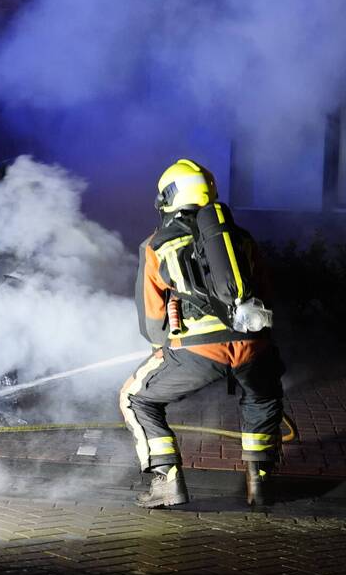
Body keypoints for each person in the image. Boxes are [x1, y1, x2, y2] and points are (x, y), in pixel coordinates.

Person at [120, 159, 284, 508]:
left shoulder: (156, 244)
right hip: (252, 345)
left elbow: (152, 320)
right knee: (261, 398)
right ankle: (260, 482)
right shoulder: (241, 238)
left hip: (197, 351)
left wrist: (163, 348)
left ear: (168, 197)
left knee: (135, 398)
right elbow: (266, 294)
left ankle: (167, 481)